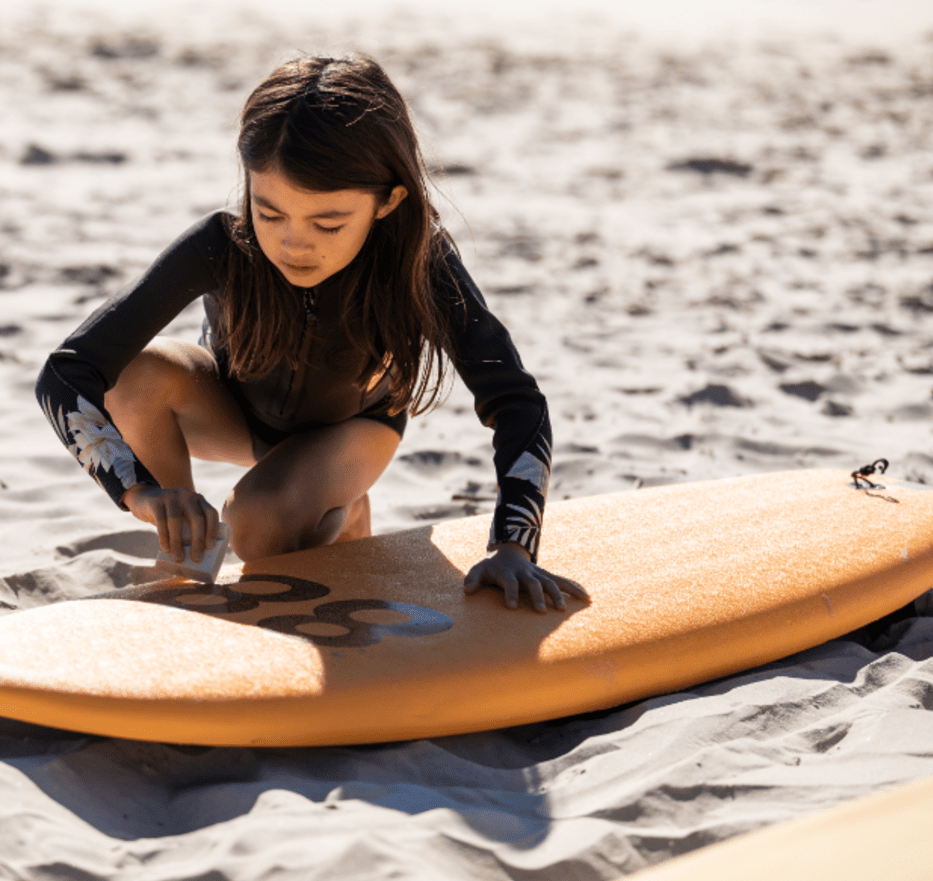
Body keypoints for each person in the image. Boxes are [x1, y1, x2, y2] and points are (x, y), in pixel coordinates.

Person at [36, 54, 587, 612]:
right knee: (135, 374)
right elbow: (66, 372)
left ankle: (343, 508)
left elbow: (517, 401)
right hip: (236, 413)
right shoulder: (220, 245)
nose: (293, 244)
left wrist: (514, 546)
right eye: (269, 213)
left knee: (256, 523)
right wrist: (143, 492)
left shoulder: (420, 263)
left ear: (388, 200)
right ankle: (186, 558)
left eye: (327, 223)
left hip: (353, 427)